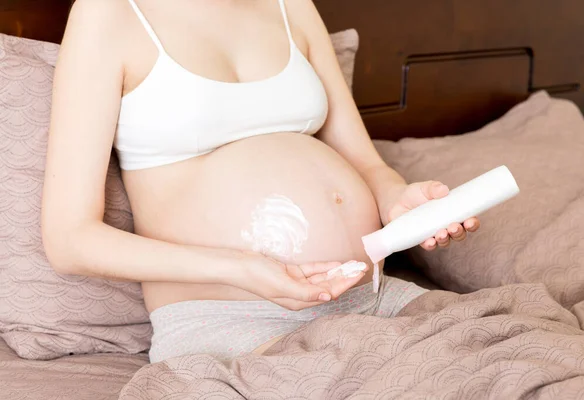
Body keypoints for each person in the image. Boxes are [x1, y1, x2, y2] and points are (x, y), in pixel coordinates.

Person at [41, 0, 480, 362]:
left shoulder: (292, 6)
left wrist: (399, 199)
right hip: (231, 320)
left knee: (515, 362)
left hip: (372, 296)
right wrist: (241, 268)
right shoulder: (109, 13)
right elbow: (69, 239)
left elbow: (365, 162)